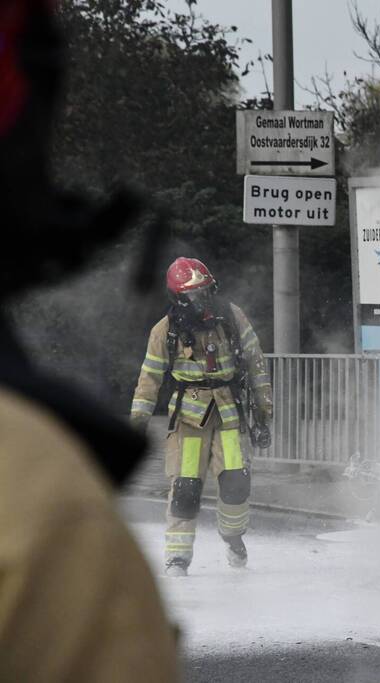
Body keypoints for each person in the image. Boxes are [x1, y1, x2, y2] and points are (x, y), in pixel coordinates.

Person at [0, 0, 179, 678]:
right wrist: (141, 409)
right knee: (185, 493)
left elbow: (242, 364)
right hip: (186, 421)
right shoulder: (38, 509)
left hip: (209, 416)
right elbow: (154, 370)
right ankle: (186, 547)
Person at [131, 257, 273, 577]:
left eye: (205, 291)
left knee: (236, 482)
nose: (202, 300)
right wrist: (137, 424)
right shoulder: (165, 331)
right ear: (179, 297)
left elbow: (256, 364)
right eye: (194, 294)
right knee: (185, 487)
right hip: (189, 415)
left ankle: (233, 537)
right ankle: (177, 558)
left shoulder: (232, 317)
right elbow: (148, 380)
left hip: (228, 411)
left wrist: (264, 414)